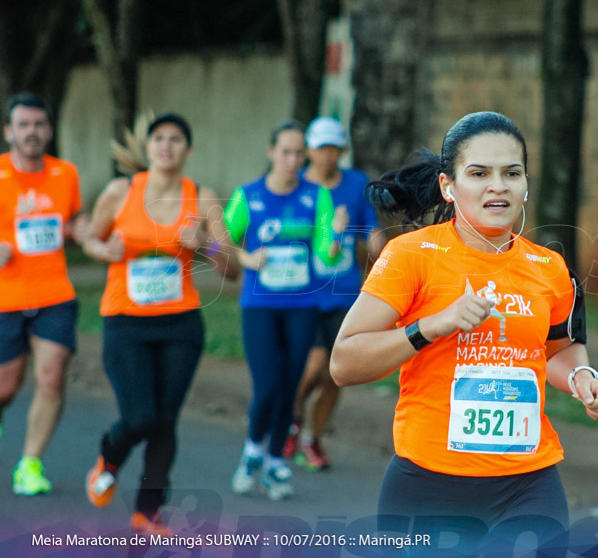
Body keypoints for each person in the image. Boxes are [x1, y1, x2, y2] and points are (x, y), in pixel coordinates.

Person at [330, 111, 598, 548]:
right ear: (448, 185)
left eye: (511, 173)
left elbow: (557, 352)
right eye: (479, 173)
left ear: (526, 185)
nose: (497, 185)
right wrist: (430, 327)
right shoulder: (411, 256)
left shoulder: (550, 268)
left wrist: (582, 378)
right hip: (429, 484)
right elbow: (344, 363)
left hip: (528, 484)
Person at [82, 112, 239, 535]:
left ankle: (146, 512)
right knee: (139, 417)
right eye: (158, 139)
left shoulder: (202, 196)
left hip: (180, 327)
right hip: (125, 322)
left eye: (175, 139)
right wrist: (105, 250)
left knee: (165, 421)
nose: (166, 145)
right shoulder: (119, 192)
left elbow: (232, 269)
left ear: (188, 150)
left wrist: (205, 243)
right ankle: (109, 456)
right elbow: (89, 237)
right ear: (148, 148)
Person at [223, 121, 344, 500]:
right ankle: (251, 452)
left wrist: (336, 236)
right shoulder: (248, 195)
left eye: (298, 153)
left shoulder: (317, 196)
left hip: (301, 306)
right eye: (285, 152)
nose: (292, 160)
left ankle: (275, 461)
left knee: (290, 385)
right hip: (259, 306)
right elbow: (219, 242)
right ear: (271, 152)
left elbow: (325, 251)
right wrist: (245, 256)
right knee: (267, 385)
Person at [282, 116, 381, 471]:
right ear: (310, 149)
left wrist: (375, 243)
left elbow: (371, 228)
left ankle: (312, 437)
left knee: (337, 373)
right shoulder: (297, 187)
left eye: (333, 148)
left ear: (342, 150)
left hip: (344, 293)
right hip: (305, 293)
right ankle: (291, 423)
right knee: (313, 367)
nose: (327, 155)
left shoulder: (356, 185)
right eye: (321, 147)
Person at [0, 92, 85, 496]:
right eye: (24, 125)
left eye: (39, 125)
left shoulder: (65, 174)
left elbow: (72, 219)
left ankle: (29, 464)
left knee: (51, 377)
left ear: (49, 130)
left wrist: (82, 228)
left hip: (54, 293)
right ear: (9, 132)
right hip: (6, 297)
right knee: (5, 386)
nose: (32, 132)